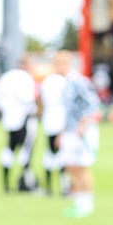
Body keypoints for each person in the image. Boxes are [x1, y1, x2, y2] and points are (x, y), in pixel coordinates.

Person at [54, 51, 102, 218]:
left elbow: (94, 105)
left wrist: (83, 125)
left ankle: (86, 204)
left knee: (81, 167)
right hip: (70, 131)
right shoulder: (67, 83)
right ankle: (79, 201)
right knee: (70, 166)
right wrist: (62, 133)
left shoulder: (80, 82)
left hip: (81, 133)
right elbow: (68, 111)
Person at [0, 57, 38, 193]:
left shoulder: (6, 76)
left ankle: (6, 184)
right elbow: (27, 98)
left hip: (9, 119)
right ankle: (24, 182)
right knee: (26, 149)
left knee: (9, 149)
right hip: (24, 119)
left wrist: (7, 108)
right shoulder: (25, 78)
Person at [38, 52, 70, 196]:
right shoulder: (64, 81)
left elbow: (41, 101)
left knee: (50, 153)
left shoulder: (47, 81)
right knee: (63, 154)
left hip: (49, 120)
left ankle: (49, 187)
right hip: (62, 121)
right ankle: (63, 187)